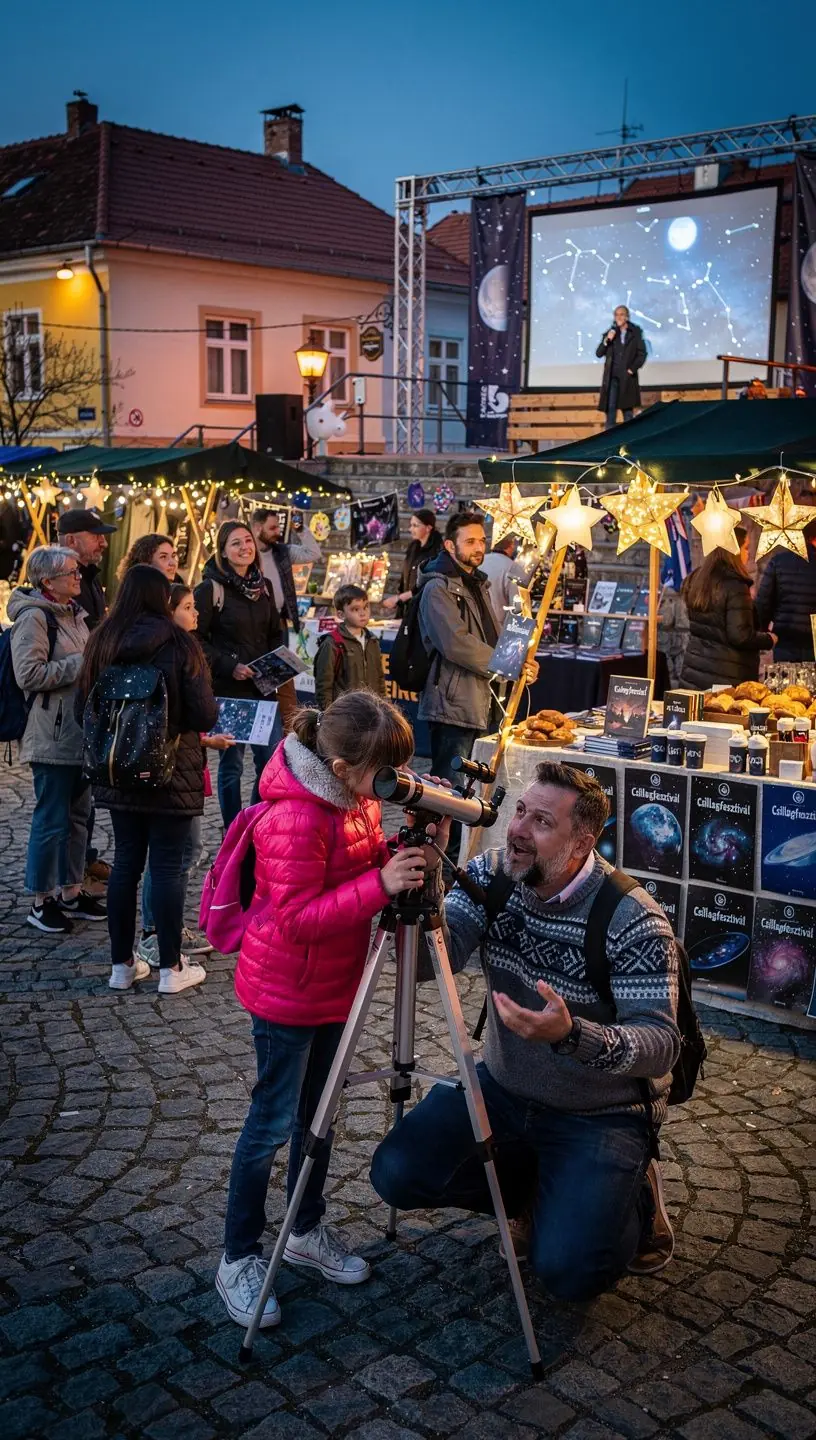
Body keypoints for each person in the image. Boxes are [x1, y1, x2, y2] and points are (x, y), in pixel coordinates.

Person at [371, 762, 680, 1300]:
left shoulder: (633, 918)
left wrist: (572, 1035)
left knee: (568, 1272)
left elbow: (662, 1045)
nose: (516, 828)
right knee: (396, 1173)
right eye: (519, 811)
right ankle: (530, 1191)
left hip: (598, 1114)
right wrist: (429, 879)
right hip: (503, 1089)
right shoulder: (494, 875)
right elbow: (423, 966)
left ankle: (632, 1192)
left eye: (541, 821)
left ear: (581, 842)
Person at [216, 692, 428, 1329]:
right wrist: (381, 885)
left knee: (321, 1113)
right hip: (287, 990)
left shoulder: (354, 799)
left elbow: (359, 867)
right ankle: (238, 1256)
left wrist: (398, 854)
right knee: (271, 1122)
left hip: (336, 985)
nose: (388, 787)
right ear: (340, 770)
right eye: (380, 775)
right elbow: (297, 919)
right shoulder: (297, 818)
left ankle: (304, 1228)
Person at [76, 565, 218, 993]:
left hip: (118, 769)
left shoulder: (103, 641)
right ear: (161, 598)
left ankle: (122, 966)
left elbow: (85, 702)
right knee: (169, 867)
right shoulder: (180, 644)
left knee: (125, 865)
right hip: (170, 770)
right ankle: (171, 970)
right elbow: (204, 713)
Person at [417, 511, 537, 856]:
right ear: (449, 545)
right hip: (453, 704)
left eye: (482, 540)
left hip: (483, 700)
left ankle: (469, 857)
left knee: (476, 791)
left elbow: (492, 636)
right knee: (450, 794)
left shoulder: (478, 582)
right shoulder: (437, 587)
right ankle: (440, 862)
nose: (478, 546)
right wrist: (508, 663)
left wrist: (521, 660)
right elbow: (455, 643)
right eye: (470, 541)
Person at [9, 546, 106, 935]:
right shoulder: (34, 618)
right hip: (51, 734)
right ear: (48, 581)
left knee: (79, 817)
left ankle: (71, 890)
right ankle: (40, 900)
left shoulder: (75, 615)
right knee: (51, 820)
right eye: (72, 573)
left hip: (80, 733)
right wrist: (82, 664)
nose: (79, 577)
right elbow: (28, 674)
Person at [136, 583, 233, 967]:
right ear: (169, 611)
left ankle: (164, 926)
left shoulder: (183, 648)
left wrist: (205, 741)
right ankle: (156, 931)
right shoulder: (173, 652)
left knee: (182, 851)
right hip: (169, 766)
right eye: (189, 607)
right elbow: (191, 712)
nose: (196, 614)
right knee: (169, 854)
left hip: (185, 759)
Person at [195, 521, 284, 828]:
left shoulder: (265, 587)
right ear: (222, 551)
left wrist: (273, 663)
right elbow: (196, 639)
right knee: (231, 765)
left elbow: (276, 632)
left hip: (263, 688)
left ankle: (254, 820)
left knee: (270, 762)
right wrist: (230, 665)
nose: (245, 547)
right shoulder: (210, 589)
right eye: (235, 543)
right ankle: (233, 826)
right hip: (229, 690)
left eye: (248, 540)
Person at [251, 507, 321, 731]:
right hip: (252, 624)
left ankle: (289, 731)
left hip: (278, 622)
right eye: (272, 528)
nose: (277, 532)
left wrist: (300, 529)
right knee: (257, 679)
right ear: (257, 527)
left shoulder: (281, 551)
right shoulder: (247, 552)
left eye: (278, 527)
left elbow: (313, 553)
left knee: (284, 679)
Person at [679, 529, 774, 690]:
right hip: (726, 680)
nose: (748, 554)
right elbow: (740, 636)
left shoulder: (698, 578)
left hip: (695, 672)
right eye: (746, 548)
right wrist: (769, 639)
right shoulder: (735, 585)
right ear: (734, 551)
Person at [313, 584, 385, 711]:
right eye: (355, 609)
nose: (363, 613)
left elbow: (380, 679)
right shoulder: (332, 643)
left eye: (366, 607)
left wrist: (385, 708)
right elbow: (323, 685)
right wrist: (328, 714)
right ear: (341, 614)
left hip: (373, 712)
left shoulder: (372, 641)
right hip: (344, 714)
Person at [755, 515, 816, 661]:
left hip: (785, 640)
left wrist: (762, 631)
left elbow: (763, 603)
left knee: (787, 681)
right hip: (813, 644)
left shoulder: (778, 561)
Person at [58, 507, 116, 631]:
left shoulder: (91, 573)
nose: (104, 543)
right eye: (96, 536)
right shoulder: (58, 579)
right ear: (71, 540)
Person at [382, 509, 443, 618]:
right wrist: (398, 599)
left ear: (428, 528)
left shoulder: (436, 552)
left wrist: (400, 598)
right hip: (407, 608)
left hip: (423, 609)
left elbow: (427, 584)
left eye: (415, 525)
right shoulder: (413, 547)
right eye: (411, 525)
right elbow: (405, 577)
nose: (411, 529)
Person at [596, 306, 647, 429]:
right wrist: (607, 340)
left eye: (622, 314)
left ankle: (628, 444)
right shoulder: (611, 333)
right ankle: (609, 444)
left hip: (627, 378)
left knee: (628, 413)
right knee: (611, 410)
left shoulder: (635, 332)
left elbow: (642, 354)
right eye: (616, 315)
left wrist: (632, 369)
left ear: (627, 316)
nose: (619, 317)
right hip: (612, 377)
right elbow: (599, 353)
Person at [479, 533, 527, 630]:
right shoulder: (513, 567)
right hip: (499, 626)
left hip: (478, 623)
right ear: (511, 546)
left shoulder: (480, 562)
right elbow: (516, 604)